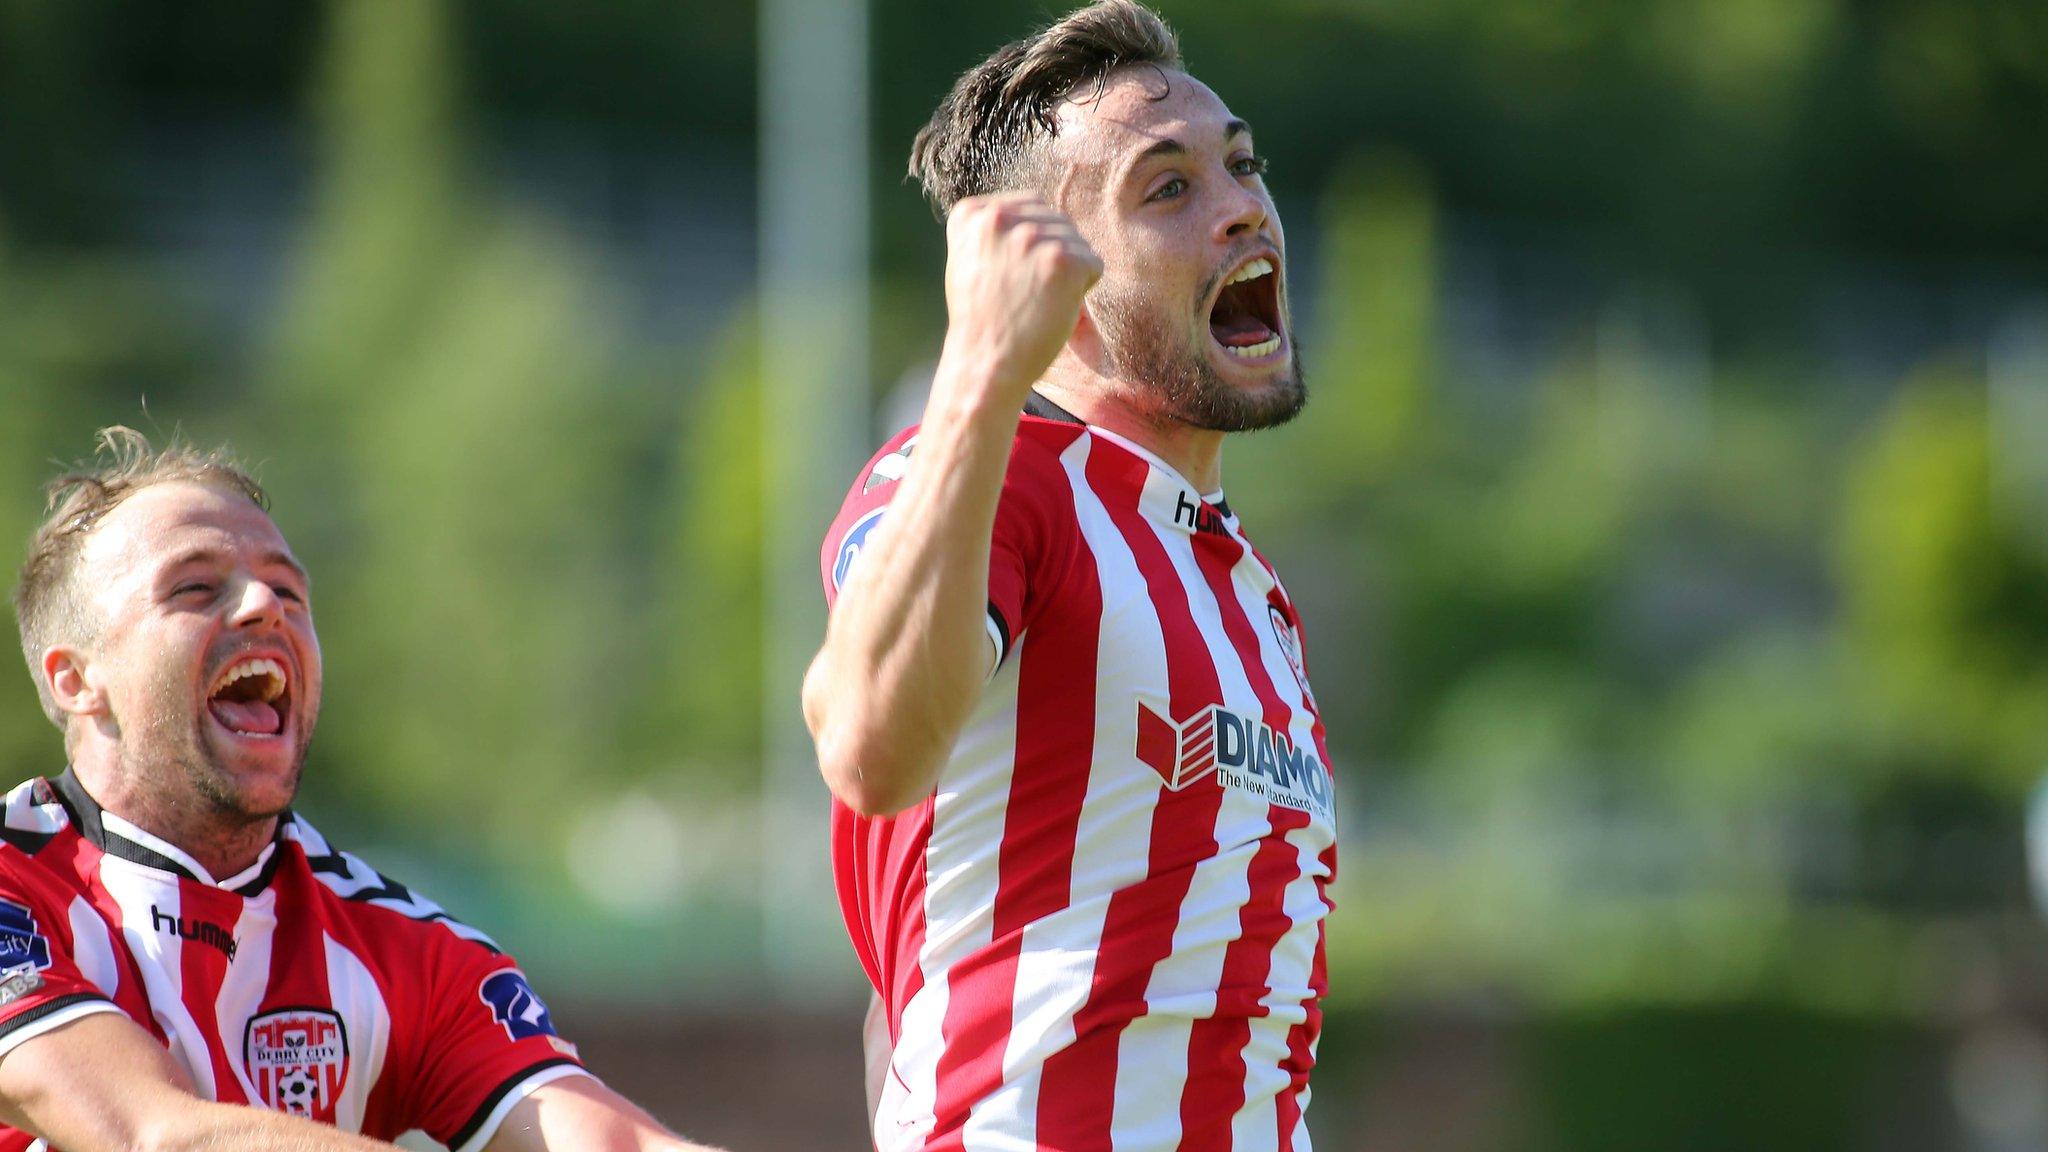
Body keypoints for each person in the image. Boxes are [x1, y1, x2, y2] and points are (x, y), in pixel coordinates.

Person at [803, 2, 1338, 1148]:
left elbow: (907, 989)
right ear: (1042, 272)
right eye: (1167, 189)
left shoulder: (1243, 586)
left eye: (1240, 165)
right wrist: (981, 366)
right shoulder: (998, 480)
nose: (1243, 205)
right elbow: (865, 744)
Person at [0, 429, 719, 1152]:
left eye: (288, 589)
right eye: (194, 587)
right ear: (76, 680)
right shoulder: (13, 888)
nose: (264, 606)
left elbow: (613, 1145)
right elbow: (151, 1135)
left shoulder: (408, 950)